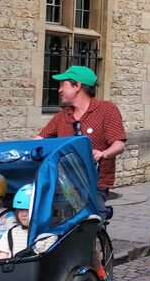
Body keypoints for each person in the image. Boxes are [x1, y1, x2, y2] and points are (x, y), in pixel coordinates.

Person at [38, 65, 127, 203]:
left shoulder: (106, 109)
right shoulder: (62, 116)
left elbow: (119, 144)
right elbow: (39, 140)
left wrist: (103, 154)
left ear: (77, 86)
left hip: (95, 185)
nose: (59, 89)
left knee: (91, 222)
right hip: (64, 185)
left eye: (63, 85)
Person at [0, 183, 57, 259]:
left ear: (41, 211)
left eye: (28, 210)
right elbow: (2, 258)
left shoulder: (50, 236)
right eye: (20, 210)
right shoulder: (11, 233)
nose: (23, 214)